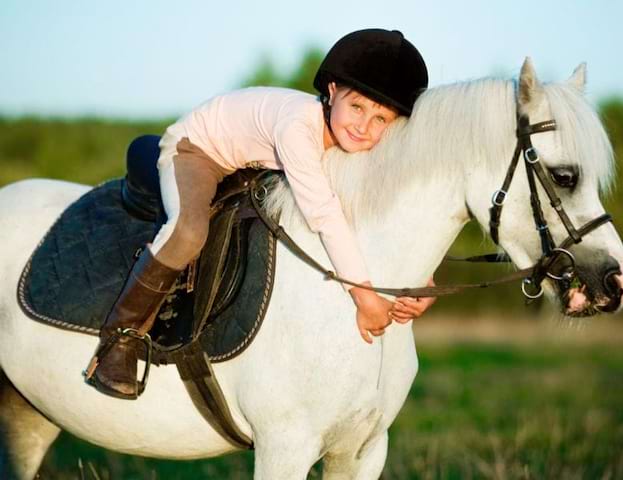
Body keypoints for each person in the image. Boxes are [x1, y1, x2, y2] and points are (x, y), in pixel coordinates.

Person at [85, 28, 436, 400]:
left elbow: (375, 209)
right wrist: (365, 298)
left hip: (249, 161)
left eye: (381, 119)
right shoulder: (298, 127)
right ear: (332, 92)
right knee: (188, 231)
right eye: (358, 107)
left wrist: (424, 281)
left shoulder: (350, 139)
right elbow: (325, 214)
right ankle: (119, 338)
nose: (364, 127)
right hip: (199, 149)